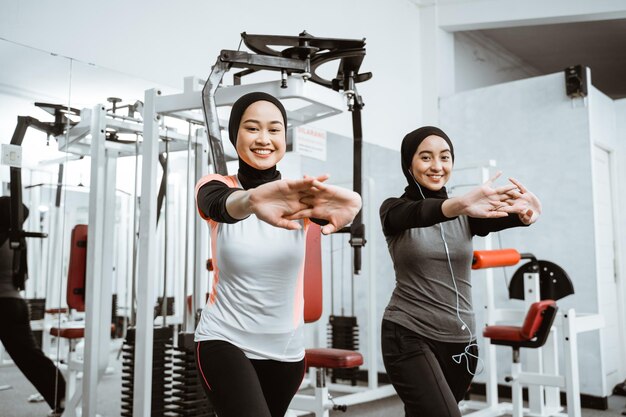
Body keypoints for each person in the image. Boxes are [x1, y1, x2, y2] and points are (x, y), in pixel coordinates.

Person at [193, 92, 362, 417]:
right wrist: (252, 200)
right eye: (252, 128)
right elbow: (218, 204)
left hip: (286, 352)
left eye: (274, 130)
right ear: (235, 135)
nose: (264, 139)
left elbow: (331, 214)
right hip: (224, 340)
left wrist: (351, 208)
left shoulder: (299, 195)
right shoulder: (216, 185)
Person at [379, 126, 541, 417]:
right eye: (426, 157)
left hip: (460, 342)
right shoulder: (393, 210)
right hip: (408, 333)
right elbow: (418, 213)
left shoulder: (468, 214)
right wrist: (458, 205)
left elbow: (502, 217)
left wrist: (526, 213)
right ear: (408, 164)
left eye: (445, 157)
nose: (437, 166)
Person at [0, 196, 66, 417]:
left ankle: (64, 397)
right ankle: (62, 398)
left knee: (31, 358)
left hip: (4, 306)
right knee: (32, 358)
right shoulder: (17, 240)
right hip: (15, 303)